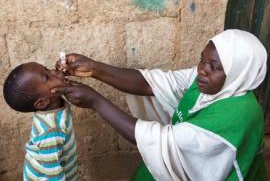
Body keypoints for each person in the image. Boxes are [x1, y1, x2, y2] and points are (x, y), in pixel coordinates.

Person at [52, 29, 268, 181]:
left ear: (237, 73)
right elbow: (154, 84)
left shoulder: (239, 115)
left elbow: (164, 142)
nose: (202, 69)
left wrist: (96, 101)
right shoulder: (209, 80)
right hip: (184, 159)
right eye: (202, 60)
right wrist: (95, 69)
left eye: (214, 66)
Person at [3, 62, 79, 181]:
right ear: (42, 103)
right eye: (47, 77)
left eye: (47, 69)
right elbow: (54, 176)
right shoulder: (50, 133)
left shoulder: (55, 102)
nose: (53, 71)